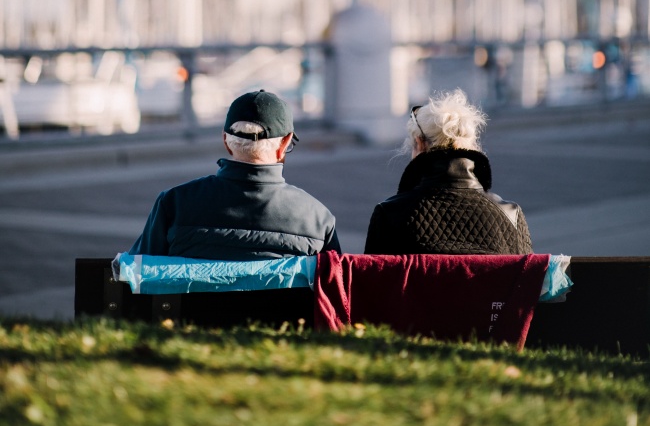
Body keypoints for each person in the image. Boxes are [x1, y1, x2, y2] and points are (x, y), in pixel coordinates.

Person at [128, 89, 341, 259]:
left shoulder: (174, 204)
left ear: (226, 141)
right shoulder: (318, 218)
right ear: (283, 144)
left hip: (193, 314)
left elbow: (139, 270)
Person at [364, 88, 532, 255]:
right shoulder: (510, 215)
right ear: (471, 145)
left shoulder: (389, 215)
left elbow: (371, 280)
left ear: (420, 144)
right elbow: (531, 278)